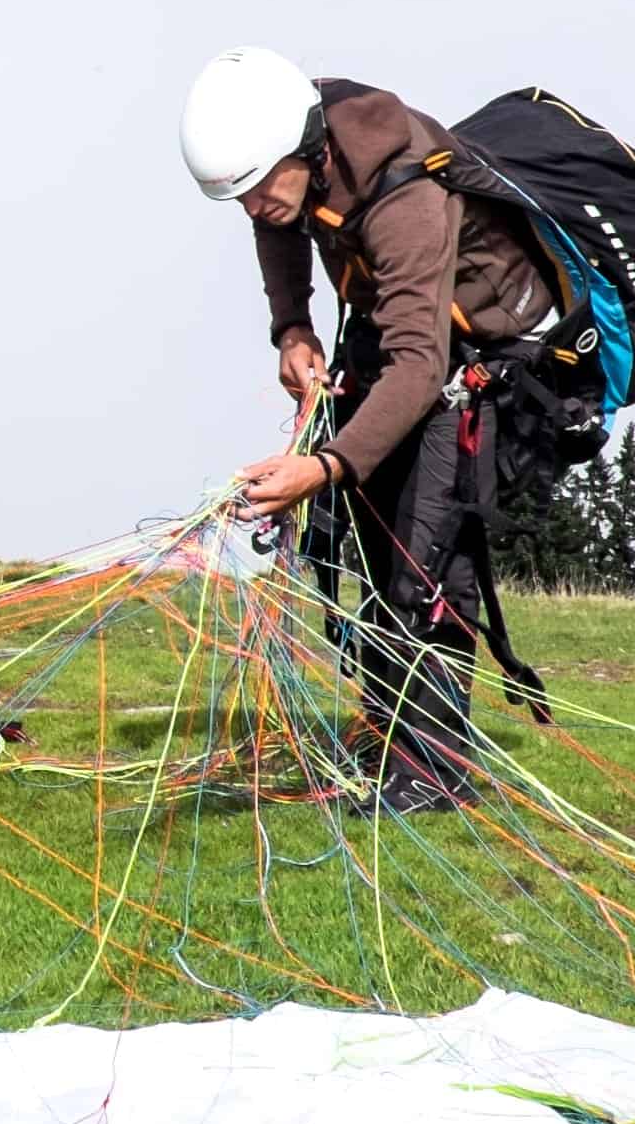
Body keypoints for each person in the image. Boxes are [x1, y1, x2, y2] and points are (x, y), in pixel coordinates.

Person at [179, 47, 563, 806]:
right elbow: (279, 227)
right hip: (392, 340)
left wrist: (319, 469)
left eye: (260, 188)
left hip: (463, 364)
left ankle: (433, 773)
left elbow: (420, 367)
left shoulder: (406, 198)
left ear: (305, 146)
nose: (256, 207)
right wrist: (292, 328)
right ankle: (387, 734)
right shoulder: (296, 164)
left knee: (424, 563)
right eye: (241, 197)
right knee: (370, 538)